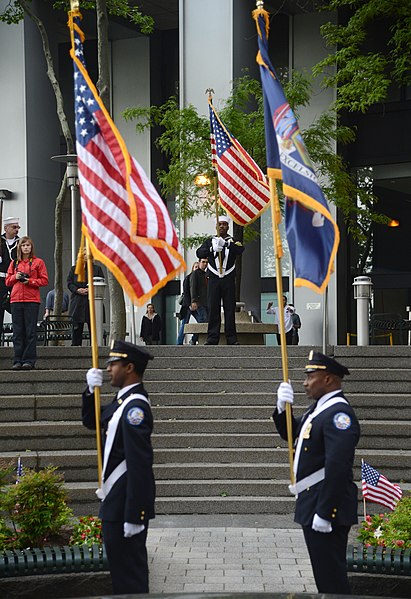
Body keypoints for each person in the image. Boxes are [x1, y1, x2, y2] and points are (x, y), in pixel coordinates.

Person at [273, 351, 360, 594]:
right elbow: (289, 433)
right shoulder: (319, 410)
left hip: (325, 505)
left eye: (311, 376)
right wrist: (282, 409)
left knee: (332, 580)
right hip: (313, 500)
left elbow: (338, 467)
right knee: (325, 577)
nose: (305, 382)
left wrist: (325, 512)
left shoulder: (338, 415)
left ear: (329, 380)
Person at [83, 340, 155, 595]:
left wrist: (136, 514)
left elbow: (140, 464)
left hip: (125, 505)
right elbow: (92, 422)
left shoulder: (135, 408)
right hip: (115, 502)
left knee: (131, 580)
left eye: (114, 364)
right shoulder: (122, 401)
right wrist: (90, 392)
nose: (109, 370)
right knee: (121, 578)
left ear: (130, 368)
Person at [196, 215, 244, 345]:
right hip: (213, 279)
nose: (222, 226)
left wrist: (227, 244)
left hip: (228, 279)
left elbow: (240, 249)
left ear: (228, 226)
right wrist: (212, 249)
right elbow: (199, 253)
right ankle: (212, 338)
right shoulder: (209, 241)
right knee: (213, 308)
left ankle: (232, 338)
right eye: (220, 224)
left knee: (229, 309)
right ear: (216, 227)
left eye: (224, 224)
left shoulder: (233, 241)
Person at [5, 236, 48, 370]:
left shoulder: (38, 262)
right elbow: (7, 281)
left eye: (28, 245)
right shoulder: (14, 263)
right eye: (23, 245)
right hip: (16, 300)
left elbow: (44, 280)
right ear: (20, 248)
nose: (26, 248)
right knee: (18, 332)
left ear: (31, 247)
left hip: (31, 301)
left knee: (30, 332)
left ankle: (29, 360)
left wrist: (30, 281)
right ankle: (17, 360)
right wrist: (15, 277)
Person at [67, 258, 104, 346]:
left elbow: (101, 281)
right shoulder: (74, 269)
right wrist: (77, 290)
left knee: (94, 327)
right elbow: (69, 283)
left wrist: (91, 289)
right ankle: (75, 349)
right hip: (77, 302)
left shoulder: (97, 269)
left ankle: (95, 349)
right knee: (77, 328)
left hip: (93, 301)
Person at [0, 216, 20, 341]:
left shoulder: (21, 242)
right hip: (1, 280)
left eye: (18, 227)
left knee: (16, 310)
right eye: (14, 227)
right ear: (6, 228)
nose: (16, 230)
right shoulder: (0, 242)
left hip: (15, 280)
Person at [176, 262, 197, 345]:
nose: (197, 269)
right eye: (195, 267)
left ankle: (193, 339)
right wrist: (189, 304)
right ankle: (179, 343)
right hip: (187, 306)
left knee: (203, 322)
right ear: (192, 268)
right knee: (184, 324)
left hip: (196, 306)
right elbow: (186, 292)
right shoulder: (188, 278)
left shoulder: (201, 278)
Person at [189, 257, 209, 345]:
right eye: (203, 262)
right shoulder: (195, 274)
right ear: (199, 262)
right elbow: (193, 288)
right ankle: (194, 339)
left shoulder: (206, 274)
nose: (205, 264)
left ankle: (195, 339)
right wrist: (193, 301)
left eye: (206, 262)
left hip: (207, 302)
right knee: (203, 320)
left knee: (204, 320)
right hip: (199, 302)